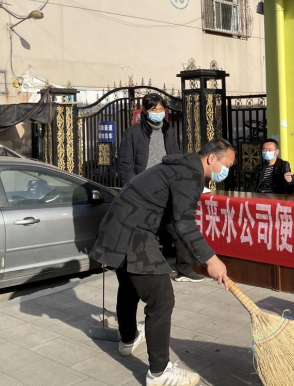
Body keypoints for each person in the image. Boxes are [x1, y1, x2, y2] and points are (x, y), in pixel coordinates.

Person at [89, 139, 234, 386]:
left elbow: (173, 220)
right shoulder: (190, 174)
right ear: (212, 158)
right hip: (134, 233)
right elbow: (184, 222)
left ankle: (127, 339)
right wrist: (211, 259)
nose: (226, 171)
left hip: (118, 228)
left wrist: (191, 256)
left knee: (129, 286)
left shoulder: (180, 166)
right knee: (162, 298)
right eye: (227, 165)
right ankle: (159, 372)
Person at [118, 93, 204, 284]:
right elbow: (125, 164)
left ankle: (184, 269)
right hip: (143, 190)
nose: (158, 113)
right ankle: (139, 269)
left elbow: (175, 157)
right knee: (143, 230)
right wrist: (132, 189)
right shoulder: (132, 133)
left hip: (167, 187)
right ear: (145, 111)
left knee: (177, 226)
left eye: (160, 109)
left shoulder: (169, 130)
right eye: (153, 109)